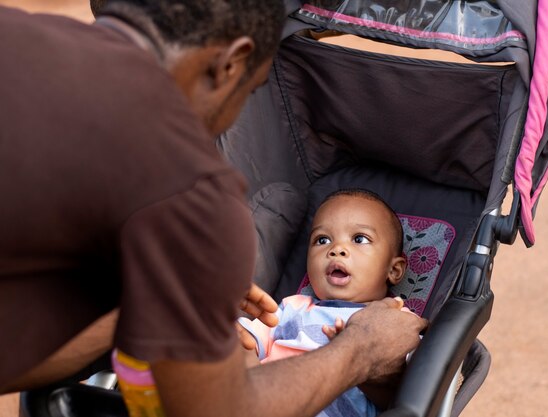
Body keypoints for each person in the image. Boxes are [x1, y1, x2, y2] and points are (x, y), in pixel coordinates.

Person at [0, 1, 428, 416]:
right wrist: (360, 350)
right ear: (231, 64)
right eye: (253, 86)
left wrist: (161, 304)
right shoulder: (187, 190)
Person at [239, 189, 414, 415]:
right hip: (269, 397)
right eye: (322, 240)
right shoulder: (293, 306)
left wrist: (362, 360)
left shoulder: (398, 321)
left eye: (359, 239)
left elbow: (406, 395)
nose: (336, 250)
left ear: (394, 269)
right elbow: (250, 343)